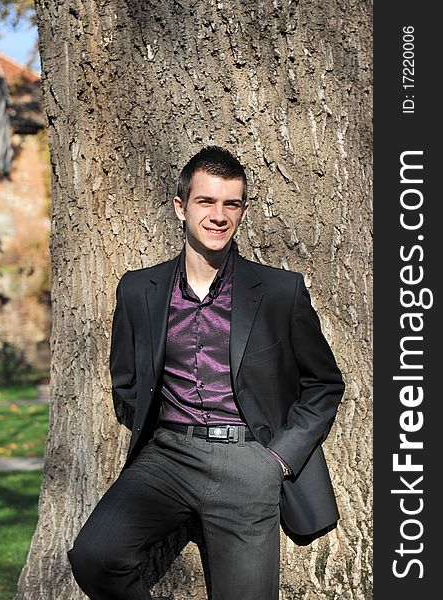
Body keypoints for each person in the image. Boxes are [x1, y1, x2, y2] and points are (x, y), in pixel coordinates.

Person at [68, 146, 345, 599]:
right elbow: (126, 381)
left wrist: (276, 460)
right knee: (94, 558)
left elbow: (324, 384)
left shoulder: (279, 291)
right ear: (181, 206)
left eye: (230, 204)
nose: (219, 216)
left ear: (243, 210)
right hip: (166, 457)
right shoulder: (140, 289)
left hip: (249, 462)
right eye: (206, 201)